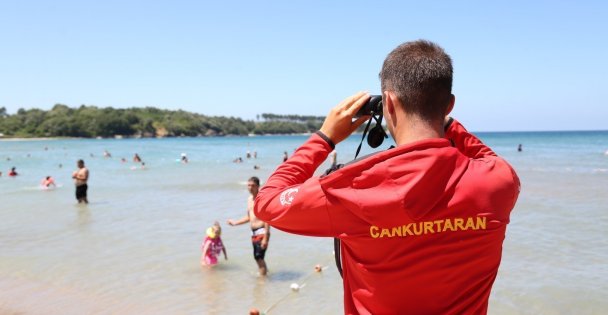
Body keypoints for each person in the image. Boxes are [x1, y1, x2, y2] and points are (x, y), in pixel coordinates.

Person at [253, 40, 520, 314]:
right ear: (450, 105)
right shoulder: (499, 182)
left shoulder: (351, 190)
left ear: (387, 102)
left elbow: (267, 201)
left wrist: (324, 138)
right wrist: (445, 121)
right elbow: (486, 157)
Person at [227, 177, 270, 276]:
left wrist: (266, 237)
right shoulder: (249, 199)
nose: (250, 188)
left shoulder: (262, 199)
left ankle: (262, 281)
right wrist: (235, 223)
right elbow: (249, 217)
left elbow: (267, 217)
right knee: (257, 257)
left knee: (259, 257)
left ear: (258, 186)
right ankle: (264, 275)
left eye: (253, 185)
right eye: (249, 185)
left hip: (262, 231)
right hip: (254, 232)